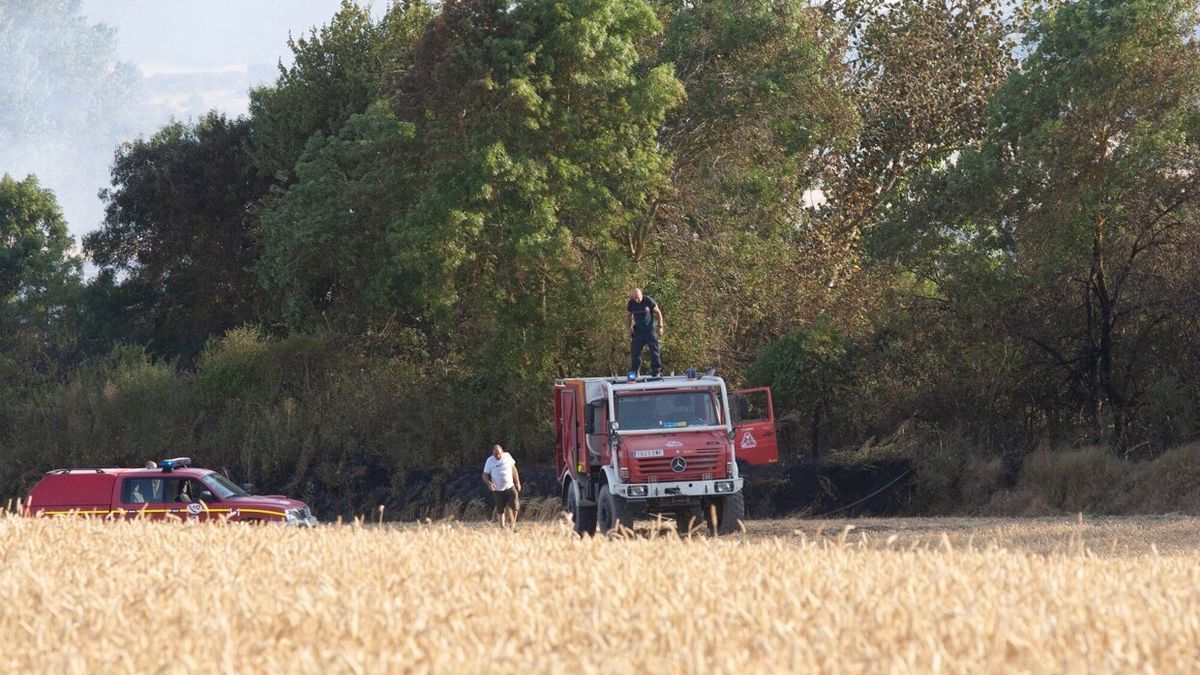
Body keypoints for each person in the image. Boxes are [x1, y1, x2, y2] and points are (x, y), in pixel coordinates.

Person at [627, 287, 664, 377]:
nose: (637, 300)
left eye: (638, 298)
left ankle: (656, 371)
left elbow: (658, 313)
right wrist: (629, 328)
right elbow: (629, 316)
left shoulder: (649, 301)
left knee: (654, 350)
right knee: (635, 351)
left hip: (650, 329)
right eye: (635, 298)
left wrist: (660, 327)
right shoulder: (631, 303)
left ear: (641, 295)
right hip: (638, 330)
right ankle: (635, 371)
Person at [482, 444, 521, 528]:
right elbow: (484, 475)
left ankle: (513, 524)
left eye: (499, 454)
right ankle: (502, 527)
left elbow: (514, 469)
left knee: (514, 505)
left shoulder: (507, 456)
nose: (498, 456)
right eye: (495, 455)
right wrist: (489, 484)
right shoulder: (489, 461)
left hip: (510, 486)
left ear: (502, 452)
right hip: (498, 489)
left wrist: (517, 482)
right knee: (500, 510)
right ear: (493, 454)